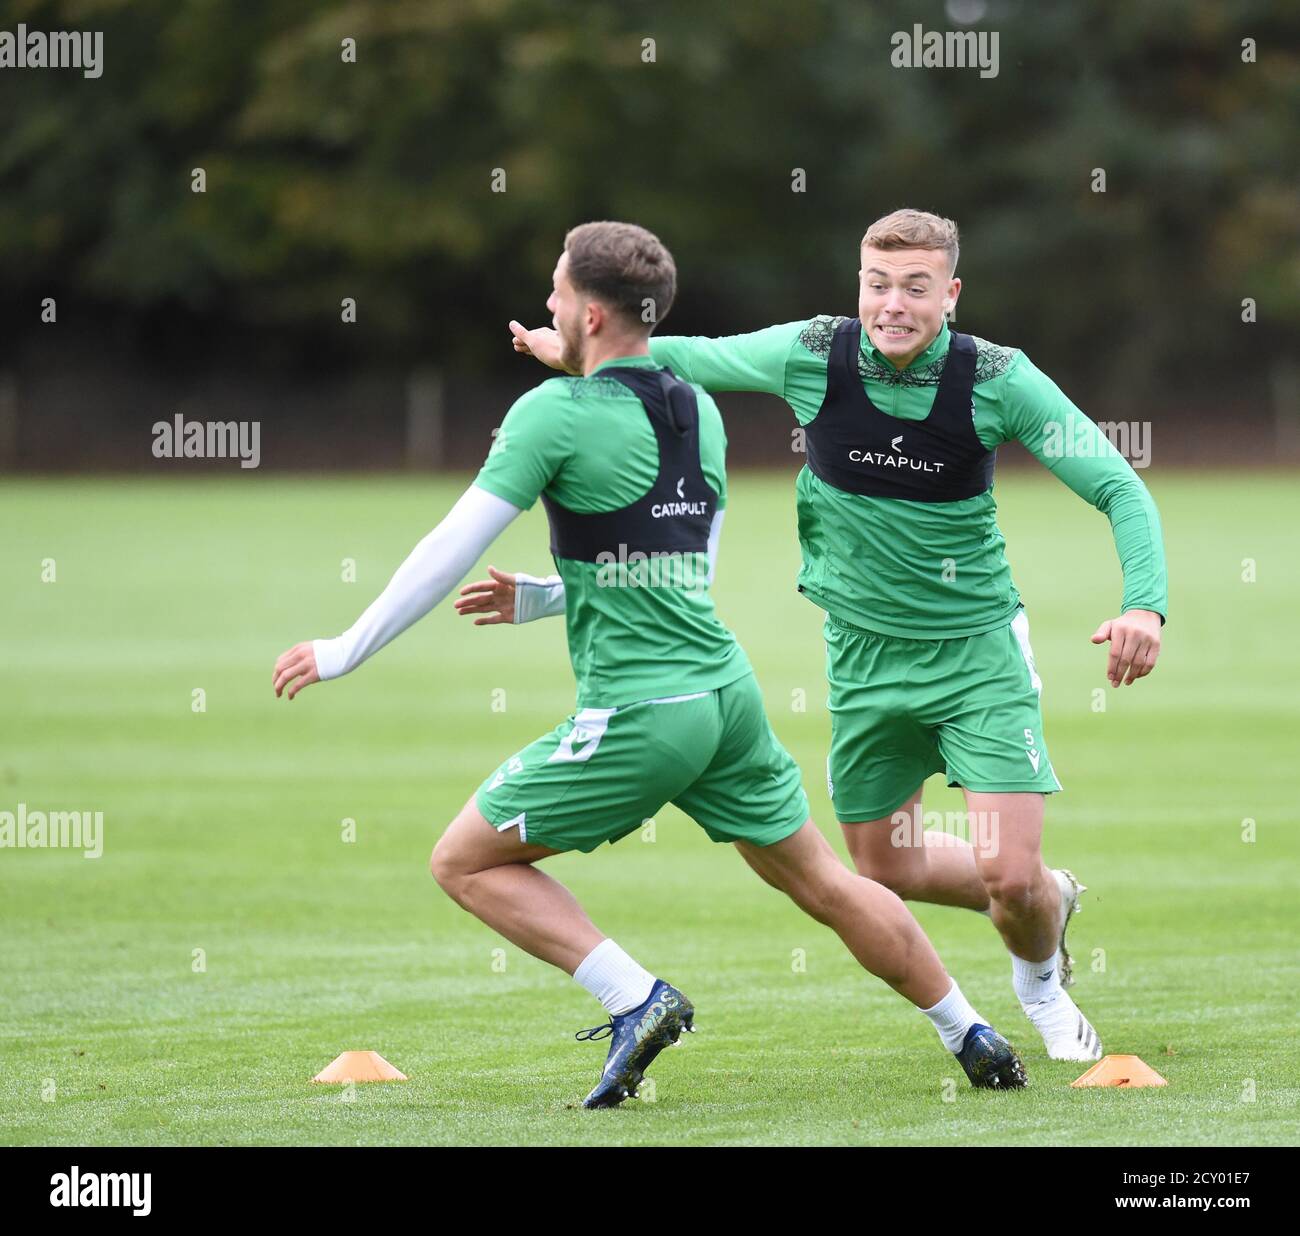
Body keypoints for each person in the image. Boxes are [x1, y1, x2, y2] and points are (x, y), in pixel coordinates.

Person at [273, 220, 1028, 1107]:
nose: (547, 305)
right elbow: (679, 567)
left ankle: (636, 999)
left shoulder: (549, 415)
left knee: (463, 862)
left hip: (641, 710)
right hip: (725, 696)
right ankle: (968, 1029)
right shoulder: (693, 409)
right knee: (824, 882)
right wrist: (550, 598)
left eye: (557, 291)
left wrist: (343, 649)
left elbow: (448, 548)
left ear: (589, 314)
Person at [507, 208, 1169, 1063]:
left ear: (952, 295)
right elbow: (686, 355)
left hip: (978, 655)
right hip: (860, 658)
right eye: (877, 284)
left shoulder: (1002, 380)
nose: (892, 305)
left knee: (1006, 874)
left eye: (916, 288)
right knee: (884, 870)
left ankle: (1039, 984)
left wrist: (1143, 606)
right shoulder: (814, 352)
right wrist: (579, 355)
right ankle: (1050, 895)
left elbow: (1121, 487)